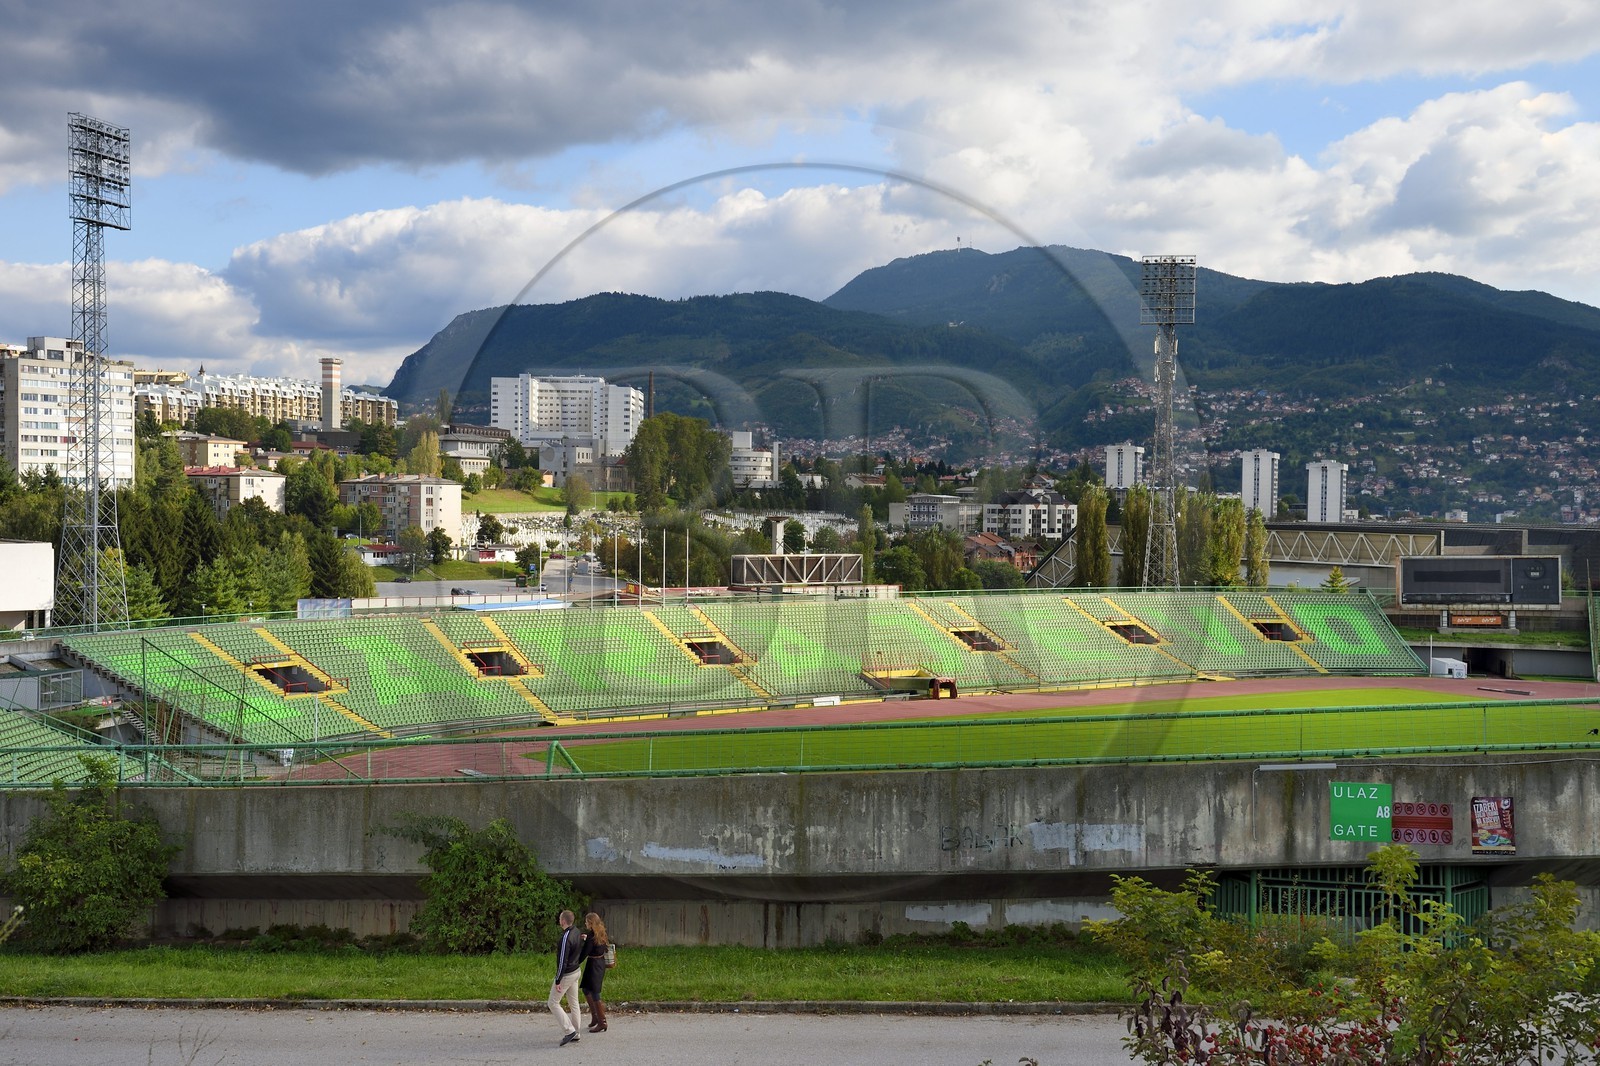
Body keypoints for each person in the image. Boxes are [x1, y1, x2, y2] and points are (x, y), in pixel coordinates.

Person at [548, 909, 585, 1046]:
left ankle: (569, 1031)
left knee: (552, 1003)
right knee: (574, 1003)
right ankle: (577, 1032)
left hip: (567, 974)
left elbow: (563, 960)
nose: (559, 920)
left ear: (563, 921)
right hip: (576, 971)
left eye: (559, 918)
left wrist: (558, 980)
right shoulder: (576, 931)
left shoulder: (566, 937)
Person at [579, 912, 610, 1033]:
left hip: (593, 966)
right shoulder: (600, 932)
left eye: (586, 922)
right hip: (599, 963)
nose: (585, 923)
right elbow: (602, 947)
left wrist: (573, 962)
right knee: (586, 989)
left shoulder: (592, 936)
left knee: (595, 992)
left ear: (591, 923)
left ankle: (602, 1022)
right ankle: (595, 1017)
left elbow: (584, 954)